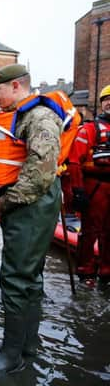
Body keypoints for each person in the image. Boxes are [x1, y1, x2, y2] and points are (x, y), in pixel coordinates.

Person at [0, 64, 62, 375]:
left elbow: (40, 171)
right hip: (26, 203)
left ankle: (12, 354)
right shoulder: (22, 116)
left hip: (30, 205)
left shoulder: (37, 117)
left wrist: (5, 201)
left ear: (17, 86)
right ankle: (27, 345)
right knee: (29, 276)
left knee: (15, 277)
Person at [68, 84, 110, 285]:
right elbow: (75, 161)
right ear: (101, 104)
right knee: (90, 231)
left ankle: (106, 272)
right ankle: (86, 272)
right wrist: (78, 190)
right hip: (95, 187)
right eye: (106, 100)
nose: (109, 103)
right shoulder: (89, 129)